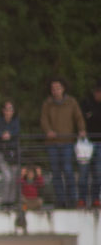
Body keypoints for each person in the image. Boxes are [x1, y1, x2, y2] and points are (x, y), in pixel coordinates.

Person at [40, 77, 83, 208]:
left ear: (63, 88)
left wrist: (82, 130)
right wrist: (48, 131)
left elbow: (79, 117)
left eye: (58, 88)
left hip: (67, 142)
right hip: (52, 143)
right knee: (56, 171)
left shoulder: (71, 102)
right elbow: (43, 120)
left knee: (68, 170)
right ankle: (60, 200)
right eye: (53, 88)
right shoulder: (47, 103)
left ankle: (72, 199)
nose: (55, 91)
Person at [0, 99, 22, 207]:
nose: (8, 112)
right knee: (7, 176)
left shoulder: (16, 120)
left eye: (10, 109)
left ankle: (11, 201)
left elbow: (17, 131)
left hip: (13, 153)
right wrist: (2, 134)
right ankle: (4, 201)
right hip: (1, 152)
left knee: (14, 177)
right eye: (6, 109)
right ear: (2, 110)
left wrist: (10, 134)